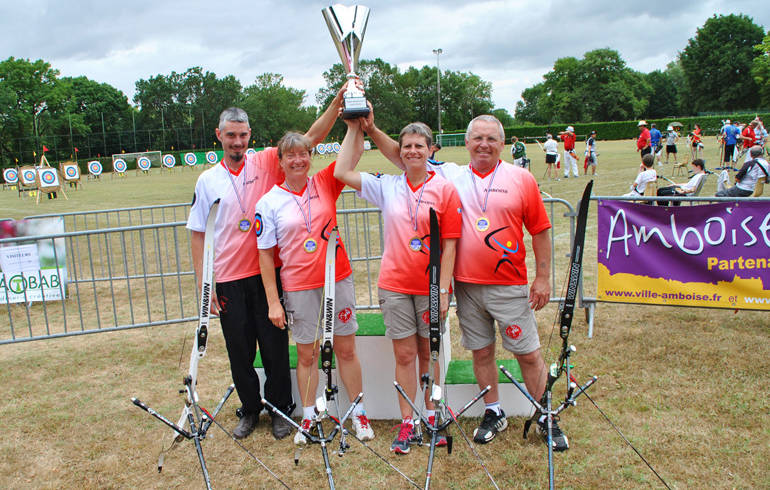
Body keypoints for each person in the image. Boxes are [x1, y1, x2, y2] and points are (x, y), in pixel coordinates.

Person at [364, 114, 567, 451]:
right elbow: (403, 154)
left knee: (528, 354)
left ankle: (546, 414)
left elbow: (540, 231)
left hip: (509, 284)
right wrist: (370, 129)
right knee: (482, 353)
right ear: (467, 142)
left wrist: (543, 277)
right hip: (467, 287)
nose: (484, 144)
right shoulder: (452, 175)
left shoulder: (521, 178)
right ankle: (493, 410)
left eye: (491, 138)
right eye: (477, 138)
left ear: (502, 143)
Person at [186, 92, 344, 441]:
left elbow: (310, 138)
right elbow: (198, 234)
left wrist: (338, 103)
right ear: (219, 135)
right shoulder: (207, 179)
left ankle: (279, 409)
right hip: (228, 280)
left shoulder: (265, 161)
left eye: (243, 135)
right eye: (231, 135)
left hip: (266, 275)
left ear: (250, 135)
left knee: (274, 349)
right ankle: (250, 409)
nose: (237, 141)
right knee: (239, 352)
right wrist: (204, 284)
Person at [334, 117, 461, 454]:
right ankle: (408, 422)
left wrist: (444, 290)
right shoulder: (387, 184)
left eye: (420, 146)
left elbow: (450, 244)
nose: (413, 151)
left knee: (428, 353)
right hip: (394, 286)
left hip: (431, 288)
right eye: (407, 146)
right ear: (399, 152)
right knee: (404, 355)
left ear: (431, 150)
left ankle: (432, 415)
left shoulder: (444, 187)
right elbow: (342, 172)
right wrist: (355, 128)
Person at [255, 129, 375, 445]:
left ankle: (359, 413)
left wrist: (355, 124)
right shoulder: (268, 202)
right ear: (280, 162)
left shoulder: (324, 181)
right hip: (298, 286)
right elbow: (265, 256)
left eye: (303, 153)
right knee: (306, 354)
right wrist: (273, 302)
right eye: (291, 155)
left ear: (310, 157)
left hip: (336, 279)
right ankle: (309, 418)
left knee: (345, 349)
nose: (298, 160)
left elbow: (355, 153)